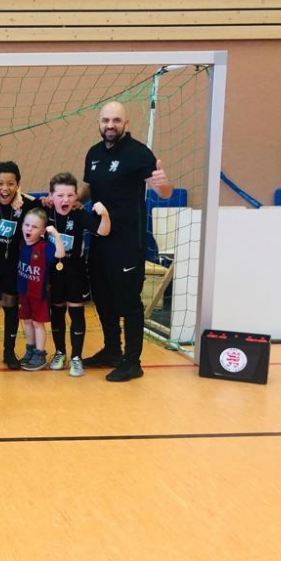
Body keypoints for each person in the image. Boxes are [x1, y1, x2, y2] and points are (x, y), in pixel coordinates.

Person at [81, 101, 173, 382]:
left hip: (128, 243)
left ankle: (132, 362)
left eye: (116, 120)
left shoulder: (138, 153)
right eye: (106, 120)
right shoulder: (94, 153)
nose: (110, 125)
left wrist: (163, 183)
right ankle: (111, 351)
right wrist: (72, 200)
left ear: (126, 123)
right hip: (100, 238)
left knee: (129, 302)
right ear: (99, 123)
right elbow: (90, 187)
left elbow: (165, 192)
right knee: (102, 297)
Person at [46, 172, 111, 378]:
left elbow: (103, 231)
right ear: (51, 195)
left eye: (70, 195)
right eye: (60, 195)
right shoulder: (44, 211)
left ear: (76, 196)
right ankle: (60, 353)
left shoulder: (80, 214)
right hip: (53, 273)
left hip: (75, 272)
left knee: (76, 313)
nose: (65, 200)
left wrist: (104, 214)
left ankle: (76, 357)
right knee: (56, 312)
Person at [0, 161, 40, 369]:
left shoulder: (26, 205)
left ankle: (9, 352)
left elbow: (44, 207)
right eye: (0, 184)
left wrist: (44, 199)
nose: (5, 188)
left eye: (11, 184)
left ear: (18, 185)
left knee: (11, 305)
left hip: (13, 266)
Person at [16, 208, 66, 370]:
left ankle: (40, 354)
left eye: (34, 227)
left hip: (39, 294)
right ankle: (30, 350)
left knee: (38, 323)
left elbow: (60, 254)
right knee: (27, 321)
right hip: (23, 292)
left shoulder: (45, 246)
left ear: (43, 231)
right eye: (27, 225)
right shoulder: (21, 243)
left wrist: (56, 235)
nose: (29, 229)